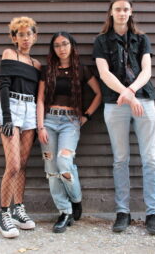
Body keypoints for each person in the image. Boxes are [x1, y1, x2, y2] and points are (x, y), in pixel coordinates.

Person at [93, 0, 155, 235]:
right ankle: (123, 212)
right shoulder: (101, 41)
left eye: (126, 9)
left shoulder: (142, 39)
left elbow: (147, 70)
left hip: (143, 99)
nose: (122, 13)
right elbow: (104, 74)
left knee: (150, 159)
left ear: (131, 13)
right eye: (117, 9)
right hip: (115, 102)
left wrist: (131, 92)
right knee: (120, 159)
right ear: (111, 13)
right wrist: (125, 94)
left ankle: (153, 213)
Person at [37, 31, 101, 233]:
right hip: (48, 120)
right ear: (52, 49)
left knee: (64, 162)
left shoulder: (81, 70)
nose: (61, 48)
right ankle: (64, 212)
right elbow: (40, 99)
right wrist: (40, 126)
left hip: (71, 122)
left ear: (72, 45)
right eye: (57, 45)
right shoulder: (47, 70)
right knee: (51, 167)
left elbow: (98, 94)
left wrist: (86, 116)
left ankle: (76, 199)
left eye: (65, 44)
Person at [0, 16, 41, 238]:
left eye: (29, 34)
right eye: (21, 34)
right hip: (11, 107)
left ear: (35, 37)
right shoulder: (9, 54)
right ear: (14, 37)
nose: (25, 38)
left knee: (22, 164)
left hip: (30, 110)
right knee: (12, 165)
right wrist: (7, 117)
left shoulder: (37, 65)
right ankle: (3, 215)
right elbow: (3, 85)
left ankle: (18, 209)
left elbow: (38, 95)